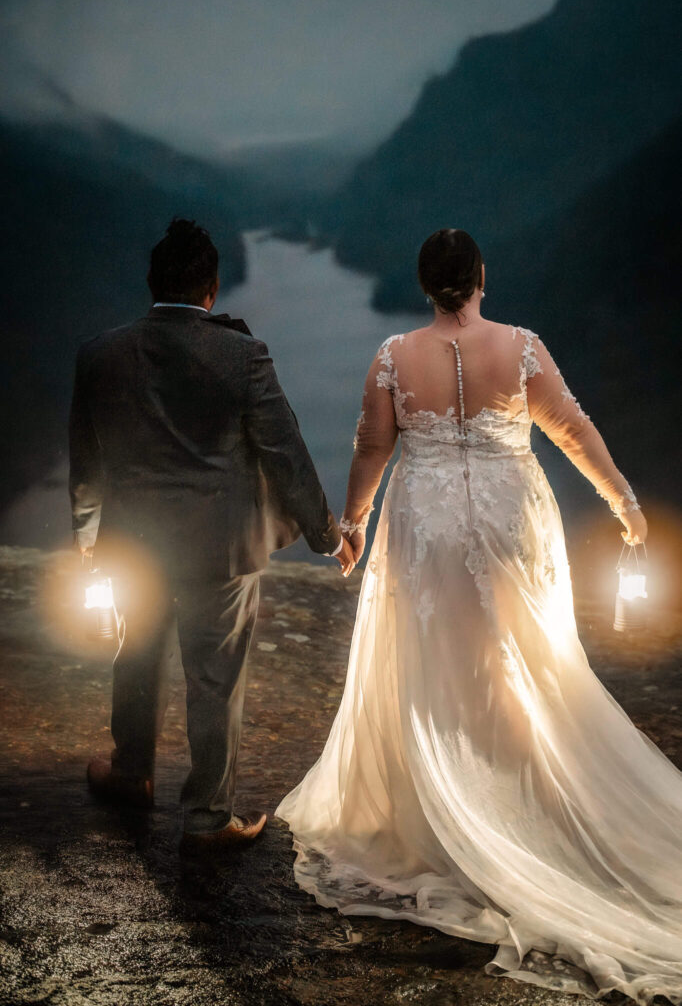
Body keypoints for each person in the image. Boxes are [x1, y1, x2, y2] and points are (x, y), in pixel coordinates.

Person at [276, 229, 682, 1003]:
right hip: (508, 519)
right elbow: (571, 429)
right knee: (528, 659)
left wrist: (353, 524)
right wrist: (624, 503)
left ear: (429, 286)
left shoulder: (394, 356)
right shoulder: (523, 347)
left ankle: (452, 809)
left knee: (438, 666)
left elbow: (372, 447)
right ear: (481, 280)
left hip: (426, 524)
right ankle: (521, 791)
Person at [69, 218, 354, 852]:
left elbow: (85, 463)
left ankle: (131, 773)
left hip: (130, 544)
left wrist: (87, 543)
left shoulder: (100, 353)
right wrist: (328, 537)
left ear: (151, 284)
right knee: (215, 679)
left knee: (134, 654)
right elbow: (286, 452)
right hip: (219, 550)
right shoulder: (242, 355)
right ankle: (205, 817)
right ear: (213, 288)